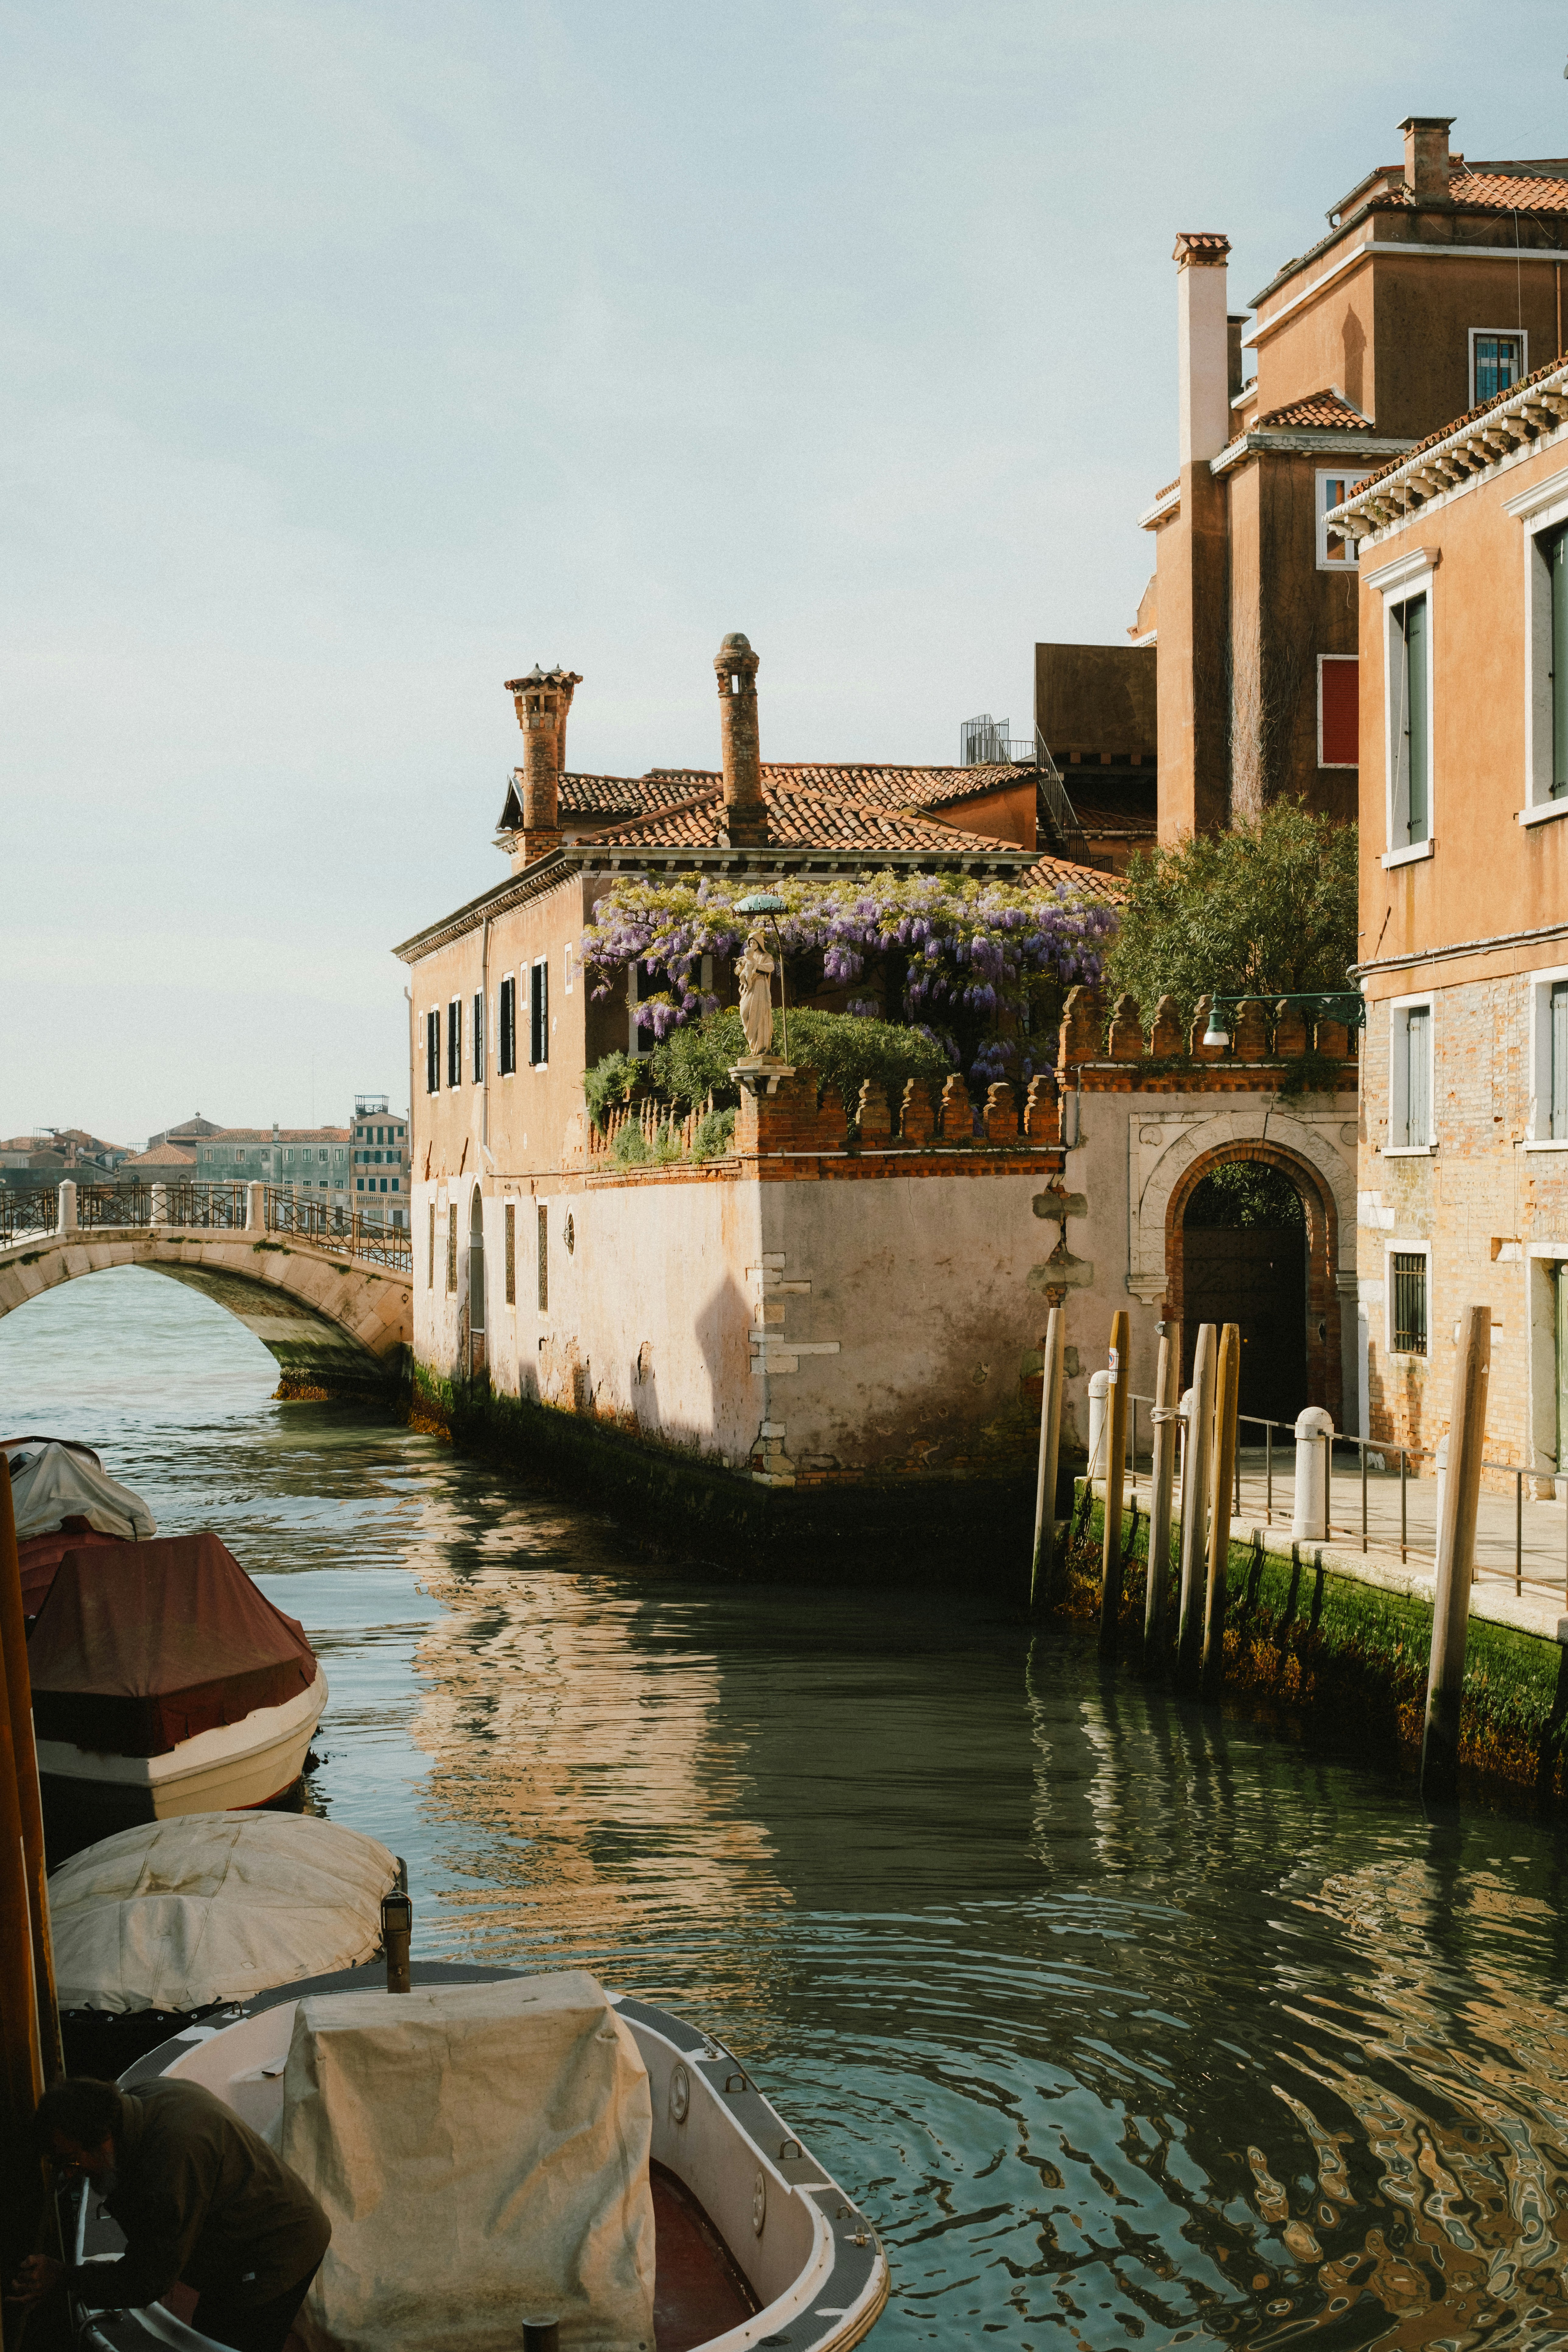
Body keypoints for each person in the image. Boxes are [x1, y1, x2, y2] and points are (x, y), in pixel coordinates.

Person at [11, 2075, 330, 2352]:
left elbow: (148, 2279)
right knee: (210, 2321)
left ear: (103, 2139)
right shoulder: (138, 2101)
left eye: (73, 2162)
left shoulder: (170, 2164)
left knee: (228, 2339)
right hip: (245, 2231)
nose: (70, 2175)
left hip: (281, 2249)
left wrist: (64, 2276)